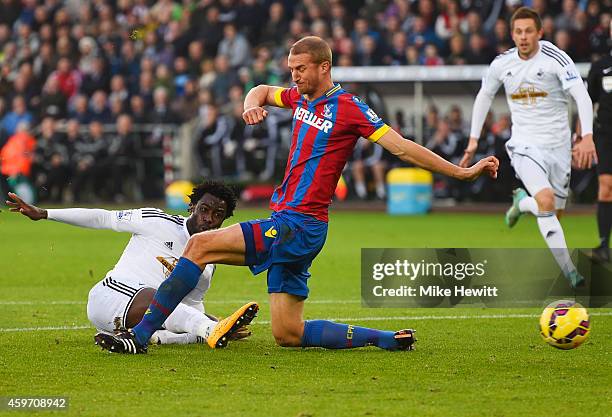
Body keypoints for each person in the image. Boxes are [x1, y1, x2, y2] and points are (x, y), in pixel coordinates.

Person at [97, 36, 498, 354]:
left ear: (324, 67)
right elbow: (260, 90)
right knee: (288, 333)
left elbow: (403, 147)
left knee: (199, 244)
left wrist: (461, 171)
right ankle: (383, 339)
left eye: (301, 69)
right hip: (300, 228)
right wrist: (250, 106)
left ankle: (141, 337)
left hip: (296, 224)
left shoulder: (349, 108)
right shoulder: (300, 97)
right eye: (290, 69)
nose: (294, 77)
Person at [6, 181, 255, 349]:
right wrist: (46, 213)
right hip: (109, 296)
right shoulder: (157, 220)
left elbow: (189, 307)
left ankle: (164, 337)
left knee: (176, 310)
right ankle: (208, 330)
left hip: (139, 319)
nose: (208, 219)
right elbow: (104, 217)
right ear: (192, 206)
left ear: (225, 219)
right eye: (204, 209)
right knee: (164, 300)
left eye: (217, 214)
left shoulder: (208, 264)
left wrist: (216, 321)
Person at [460, 7, 596, 288]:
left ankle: (521, 203)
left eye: (528, 31)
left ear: (540, 33)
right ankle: (571, 273)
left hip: (559, 148)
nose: (523, 37)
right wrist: (473, 140)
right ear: (512, 34)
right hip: (524, 146)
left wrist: (587, 136)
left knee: (554, 213)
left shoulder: (556, 59)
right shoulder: (502, 64)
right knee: (546, 202)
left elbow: (581, 96)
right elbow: (484, 96)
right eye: (518, 32)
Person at [587, 40, 612, 263]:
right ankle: (604, 244)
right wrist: (582, 136)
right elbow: (588, 102)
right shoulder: (600, 67)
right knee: (606, 188)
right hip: (606, 135)